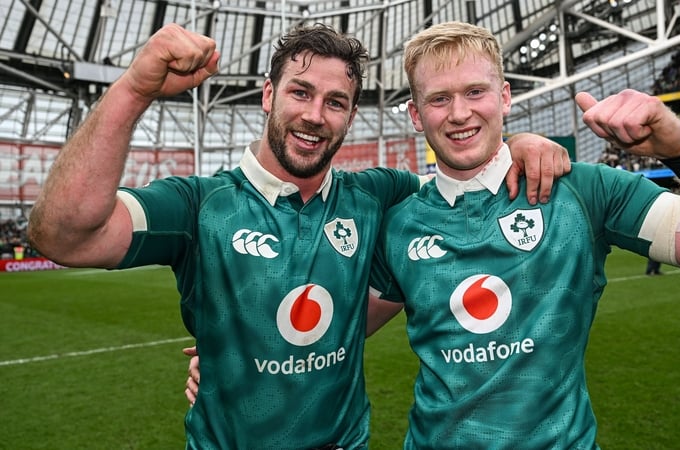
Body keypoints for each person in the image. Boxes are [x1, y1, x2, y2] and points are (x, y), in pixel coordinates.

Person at [27, 22, 570, 449]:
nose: (315, 115)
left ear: (351, 116)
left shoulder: (378, 195)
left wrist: (518, 142)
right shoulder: (199, 204)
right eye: (301, 92)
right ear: (268, 95)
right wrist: (134, 88)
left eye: (335, 102)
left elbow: (464, 168)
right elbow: (65, 236)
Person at [364, 22, 680, 449]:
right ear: (417, 116)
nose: (459, 113)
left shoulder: (584, 190)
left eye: (475, 91)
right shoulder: (401, 221)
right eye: (440, 99)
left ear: (505, 96)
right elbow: (333, 331)